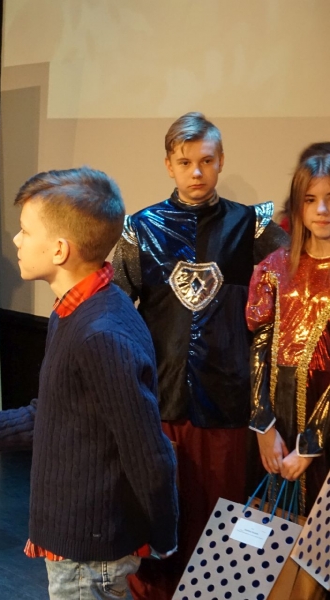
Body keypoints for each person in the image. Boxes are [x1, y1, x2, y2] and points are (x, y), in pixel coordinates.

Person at [0, 167, 179, 600]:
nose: (16, 240)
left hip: (90, 558)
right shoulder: (76, 311)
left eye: (26, 231)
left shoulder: (101, 334)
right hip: (78, 546)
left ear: (59, 249)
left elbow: (149, 452)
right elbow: (46, 418)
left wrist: (164, 537)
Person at [111, 112, 288, 599]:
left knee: (222, 517)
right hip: (160, 396)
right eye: (185, 162)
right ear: (168, 164)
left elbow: (293, 280)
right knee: (160, 512)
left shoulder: (251, 226)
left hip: (227, 395)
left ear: (220, 161)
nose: (196, 172)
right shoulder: (140, 228)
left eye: (206, 161)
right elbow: (116, 309)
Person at [249, 153, 330, 511]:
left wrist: (312, 444)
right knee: (275, 525)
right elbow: (260, 348)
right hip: (277, 424)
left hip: (323, 421)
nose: (322, 210)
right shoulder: (275, 268)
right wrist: (263, 424)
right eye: (311, 200)